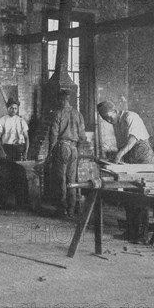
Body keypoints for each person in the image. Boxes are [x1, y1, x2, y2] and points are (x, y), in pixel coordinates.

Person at [97, 101, 154, 243]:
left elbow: (132, 139)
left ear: (115, 110)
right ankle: (131, 232)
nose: (108, 120)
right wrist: (115, 156)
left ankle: (142, 235)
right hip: (130, 157)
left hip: (142, 156)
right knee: (129, 195)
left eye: (109, 117)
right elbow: (122, 145)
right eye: (105, 119)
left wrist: (119, 154)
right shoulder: (117, 124)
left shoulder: (130, 116)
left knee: (141, 196)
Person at [47, 89, 87, 217]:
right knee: (72, 179)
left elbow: (53, 135)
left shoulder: (58, 113)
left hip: (62, 147)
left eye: (59, 99)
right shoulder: (78, 114)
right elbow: (82, 136)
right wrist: (79, 151)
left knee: (61, 179)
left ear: (61, 99)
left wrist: (50, 153)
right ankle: (71, 209)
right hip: (74, 149)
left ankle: (62, 209)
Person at [0, 97, 29, 208]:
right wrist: (2, 152)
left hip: (19, 150)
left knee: (20, 176)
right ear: (7, 108)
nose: (13, 110)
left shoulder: (21, 121)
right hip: (6, 149)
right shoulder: (1, 121)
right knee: (5, 177)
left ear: (18, 109)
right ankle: (4, 203)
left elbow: (27, 139)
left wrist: (26, 153)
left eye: (15, 108)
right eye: (11, 108)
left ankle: (21, 204)